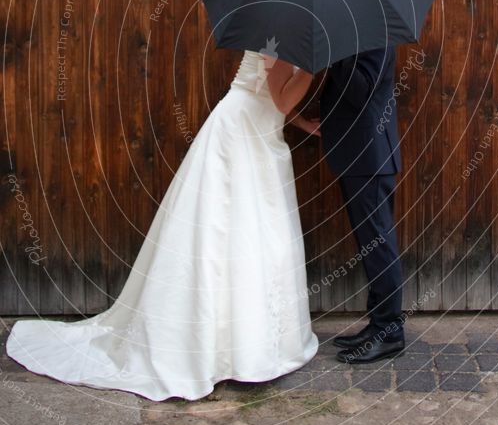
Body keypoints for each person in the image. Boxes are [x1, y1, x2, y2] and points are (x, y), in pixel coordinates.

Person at [6, 50, 319, 401]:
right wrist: (310, 69)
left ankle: (251, 345)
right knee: (231, 236)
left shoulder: (287, 30)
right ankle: (215, 350)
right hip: (240, 136)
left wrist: (304, 122)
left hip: (258, 133)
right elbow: (277, 98)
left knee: (255, 239)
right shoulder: (275, 33)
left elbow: (269, 96)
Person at [319, 45, 405, 363]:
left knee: (379, 245)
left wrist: (333, 52)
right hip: (360, 155)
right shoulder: (359, 33)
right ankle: (378, 325)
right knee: (372, 244)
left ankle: (390, 332)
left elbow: (362, 91)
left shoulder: (376, 33)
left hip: (369, 155)